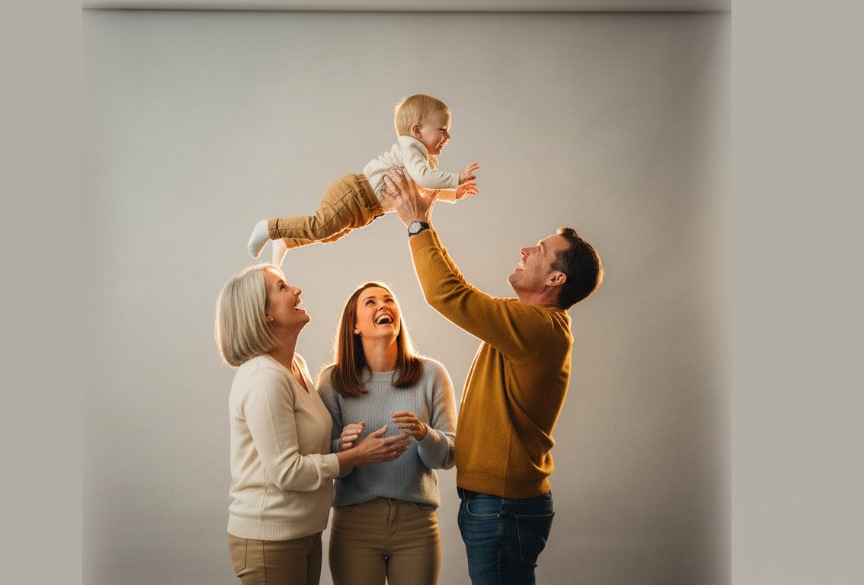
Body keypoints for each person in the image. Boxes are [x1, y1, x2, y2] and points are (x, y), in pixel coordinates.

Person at [381, 168, 604, 585]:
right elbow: (460, 291)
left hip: (503, 508)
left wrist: (416, 225)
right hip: (499, 507)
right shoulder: (530, 325)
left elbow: (448, 296)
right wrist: (425, 223)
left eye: (539, 249)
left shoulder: (536, 328)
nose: (525, 250)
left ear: (556, 279)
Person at [215, 264, 413, 585]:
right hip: (270, 540)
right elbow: (287, 472)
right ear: (265, 314)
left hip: (303, 532)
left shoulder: (296, 366)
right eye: (281, 288)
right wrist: (357, 456)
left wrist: (340, 446)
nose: (297, 290)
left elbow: (306, 450)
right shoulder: (264, 378)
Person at [317, 282, 457, 585]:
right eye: (370, 302)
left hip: (416, 524)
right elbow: (324, 460)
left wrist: (424, 434)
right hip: (355, 524)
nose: (383, 305)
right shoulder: (333, 381)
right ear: (354, 325)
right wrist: (346, 446)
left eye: (389, 299)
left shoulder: (432, 375)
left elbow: (447, 457)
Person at [246, 94, 480, 265]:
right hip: (354, 194)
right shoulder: (412, 147)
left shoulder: (425, 160)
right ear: (417, 131)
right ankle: (269, 228)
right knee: (321, 226)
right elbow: (424, 178)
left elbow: (425, 187)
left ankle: (287, 240)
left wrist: (453, 195)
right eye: (443, 130)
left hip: (365, 209)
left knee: (330, 234)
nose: (448, 137)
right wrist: (456, 179)